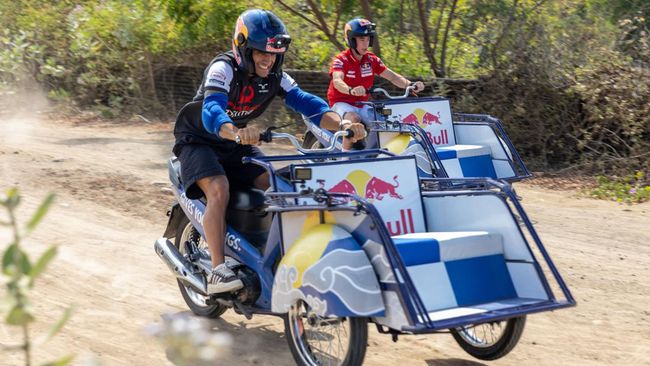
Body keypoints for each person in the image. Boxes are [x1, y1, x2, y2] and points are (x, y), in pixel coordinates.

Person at [172, 9, 365, 294]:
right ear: (243, 48)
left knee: (277, 183)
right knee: (219, 189)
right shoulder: (222, 69)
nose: (268, 59)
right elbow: (212, 110)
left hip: (234, 142)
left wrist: (344, 124)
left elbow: (309, 105)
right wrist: (234, 130)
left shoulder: (277, 77)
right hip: (199, 140)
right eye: (261, 52)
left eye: (273, 53)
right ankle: (218, 269)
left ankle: (273, 253)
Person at [327, 18, 425, 148]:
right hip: (341, 103)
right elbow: (337, 81)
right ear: (351, 40)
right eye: (362, 40)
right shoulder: (341, 60)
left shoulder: (372, 60)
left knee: (383, 123)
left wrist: (410, 85)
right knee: (354, 119)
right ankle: (344, 158)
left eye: (368, 39)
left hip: (362, 103)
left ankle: (375, 154)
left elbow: (392, 77)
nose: (366, 44)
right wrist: (351, 89)